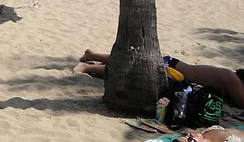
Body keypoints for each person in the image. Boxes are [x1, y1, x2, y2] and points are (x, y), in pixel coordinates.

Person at [72, 50, 244, 108]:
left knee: (132, 63)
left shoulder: (231, 77)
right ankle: (89, 66)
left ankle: (93, 55)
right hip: (174, 72)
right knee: (130, 69)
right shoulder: (232, 79)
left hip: (175, 68)